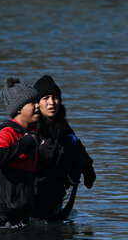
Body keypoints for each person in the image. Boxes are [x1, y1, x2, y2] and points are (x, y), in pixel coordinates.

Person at [30, 75, 96, 221]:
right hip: (31, 196)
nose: (51, 102)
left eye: (55, 97)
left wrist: (87, 169)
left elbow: (77, 148)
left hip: (56, 195)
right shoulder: (30, 127)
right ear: (37, 103)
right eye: (46, 98)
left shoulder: (63, 127)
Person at [0, 77, 40, 227]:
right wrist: (25, 143)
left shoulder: (32, 135)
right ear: (19, 108)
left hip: (20, 214)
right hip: (0, 215)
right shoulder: (8, 132)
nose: (38, 105)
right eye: (33, 102)